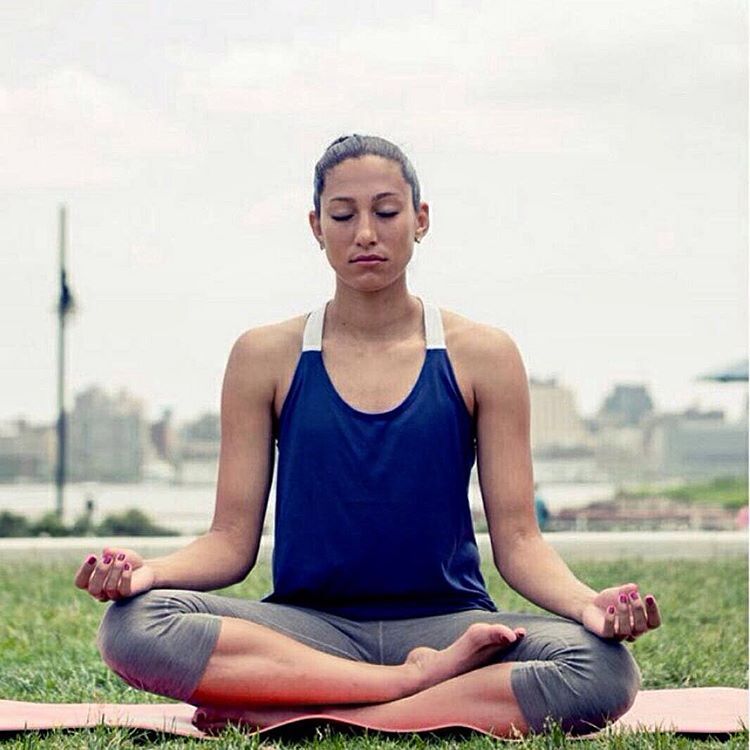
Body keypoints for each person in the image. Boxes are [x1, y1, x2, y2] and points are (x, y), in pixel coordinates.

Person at [74, 134, 661, 738]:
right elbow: (229, 542)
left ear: (420, 219)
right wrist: (151, 575)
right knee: (132, 626)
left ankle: (305, 707)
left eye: (386, 212)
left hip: (450, 626)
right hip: (308, 632)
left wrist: (587, 604)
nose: (365, 233)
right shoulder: (264, 356)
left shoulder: (483, 354)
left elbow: (517, 540)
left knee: (602, 668)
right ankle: (401, 689)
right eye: (343, 215)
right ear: (315, 226)